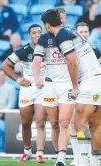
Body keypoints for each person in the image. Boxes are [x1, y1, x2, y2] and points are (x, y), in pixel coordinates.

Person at [41, 8, 101, 166]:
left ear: (47, 25)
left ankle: (82, 162)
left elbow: (72, 62)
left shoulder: (61, 35)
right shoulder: (69, 30)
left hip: (88, 80)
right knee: (95, 124)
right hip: (97, 78)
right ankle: (94, 162)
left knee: (79, 123)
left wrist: (75, 87)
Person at [33, 7, 75, 166]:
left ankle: (61, 158)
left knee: (64, 121)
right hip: (49, 85)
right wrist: (37, 77)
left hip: (67, 86)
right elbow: (36, 61)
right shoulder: (43, 39)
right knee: (54, 123)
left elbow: (75, 61)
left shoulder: (70, 36)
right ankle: (59, 154)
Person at [2, 24, 47, 163]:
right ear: (29, 36)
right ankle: (27, 151)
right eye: (34, 32)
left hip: (43, 88)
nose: (37, 34)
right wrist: (18, 79)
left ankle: (40, 153)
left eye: (40, 32)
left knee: (40, 122)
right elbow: (5, 65)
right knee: (26, 123)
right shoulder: (23, 50)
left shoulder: (49, 50)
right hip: (27, 89)